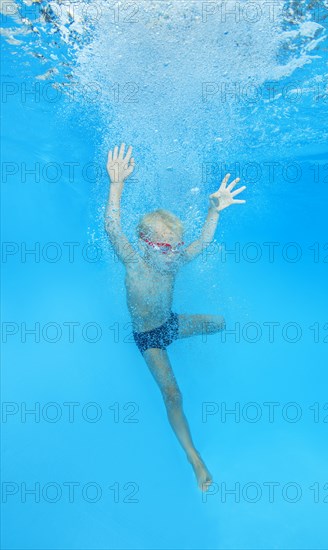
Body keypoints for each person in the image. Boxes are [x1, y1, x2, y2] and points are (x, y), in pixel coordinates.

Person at [105, 142, 246, 491]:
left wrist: (214, 212)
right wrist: (117, 184)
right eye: (164, 248)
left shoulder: (174, 261)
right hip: (150, 339)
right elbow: (111, 227)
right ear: (144, 242)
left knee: (221, 323)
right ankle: (193, 457)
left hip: (171, 323)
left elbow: (202, 244)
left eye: (176, 248)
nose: (172, 256)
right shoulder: (134, 262)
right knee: (173, 395)